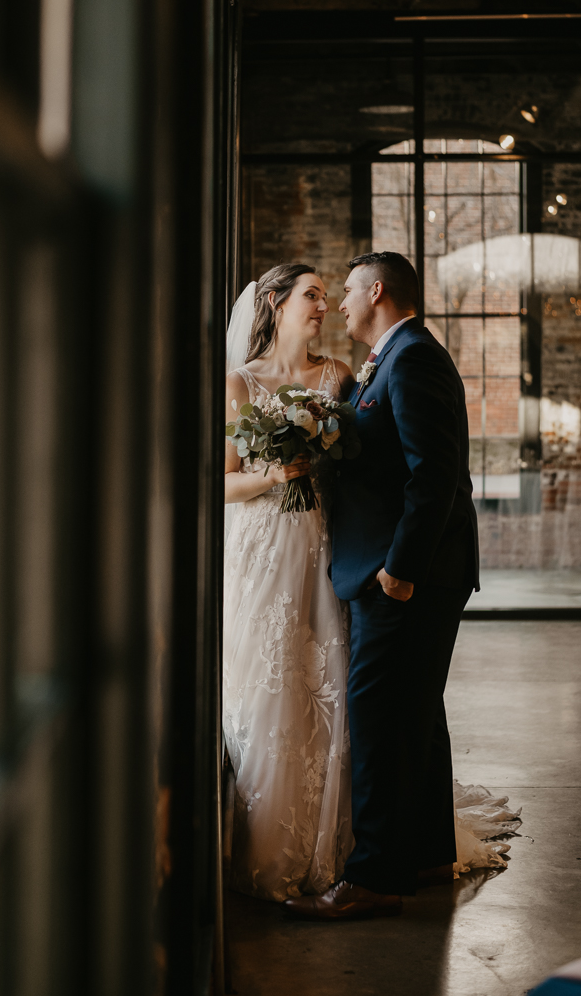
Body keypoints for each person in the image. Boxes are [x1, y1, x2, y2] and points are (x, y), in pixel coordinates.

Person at [284, 250, 480, 921]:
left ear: (377, 291)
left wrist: (400, 571)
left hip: (404, 576)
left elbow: (436, 476)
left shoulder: (413, 358)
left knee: (377, 718)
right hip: (400, 571)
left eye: (346, 291)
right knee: (417, 715)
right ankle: (424, 854)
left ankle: (372, 876)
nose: (339, 303)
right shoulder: (396, 359)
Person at [222, 263, 354, 901]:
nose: (322, 306)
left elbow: (359, 467)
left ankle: (331, 840)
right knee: (265, 685)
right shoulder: (241, 384)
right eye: (311, 295)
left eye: (328, 297)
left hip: (321, 544)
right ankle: (263, 845)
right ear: (275, 303)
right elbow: (219, 482)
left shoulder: (337, 378)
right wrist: (274, 476)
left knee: (319, 678)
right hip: (259, 548)